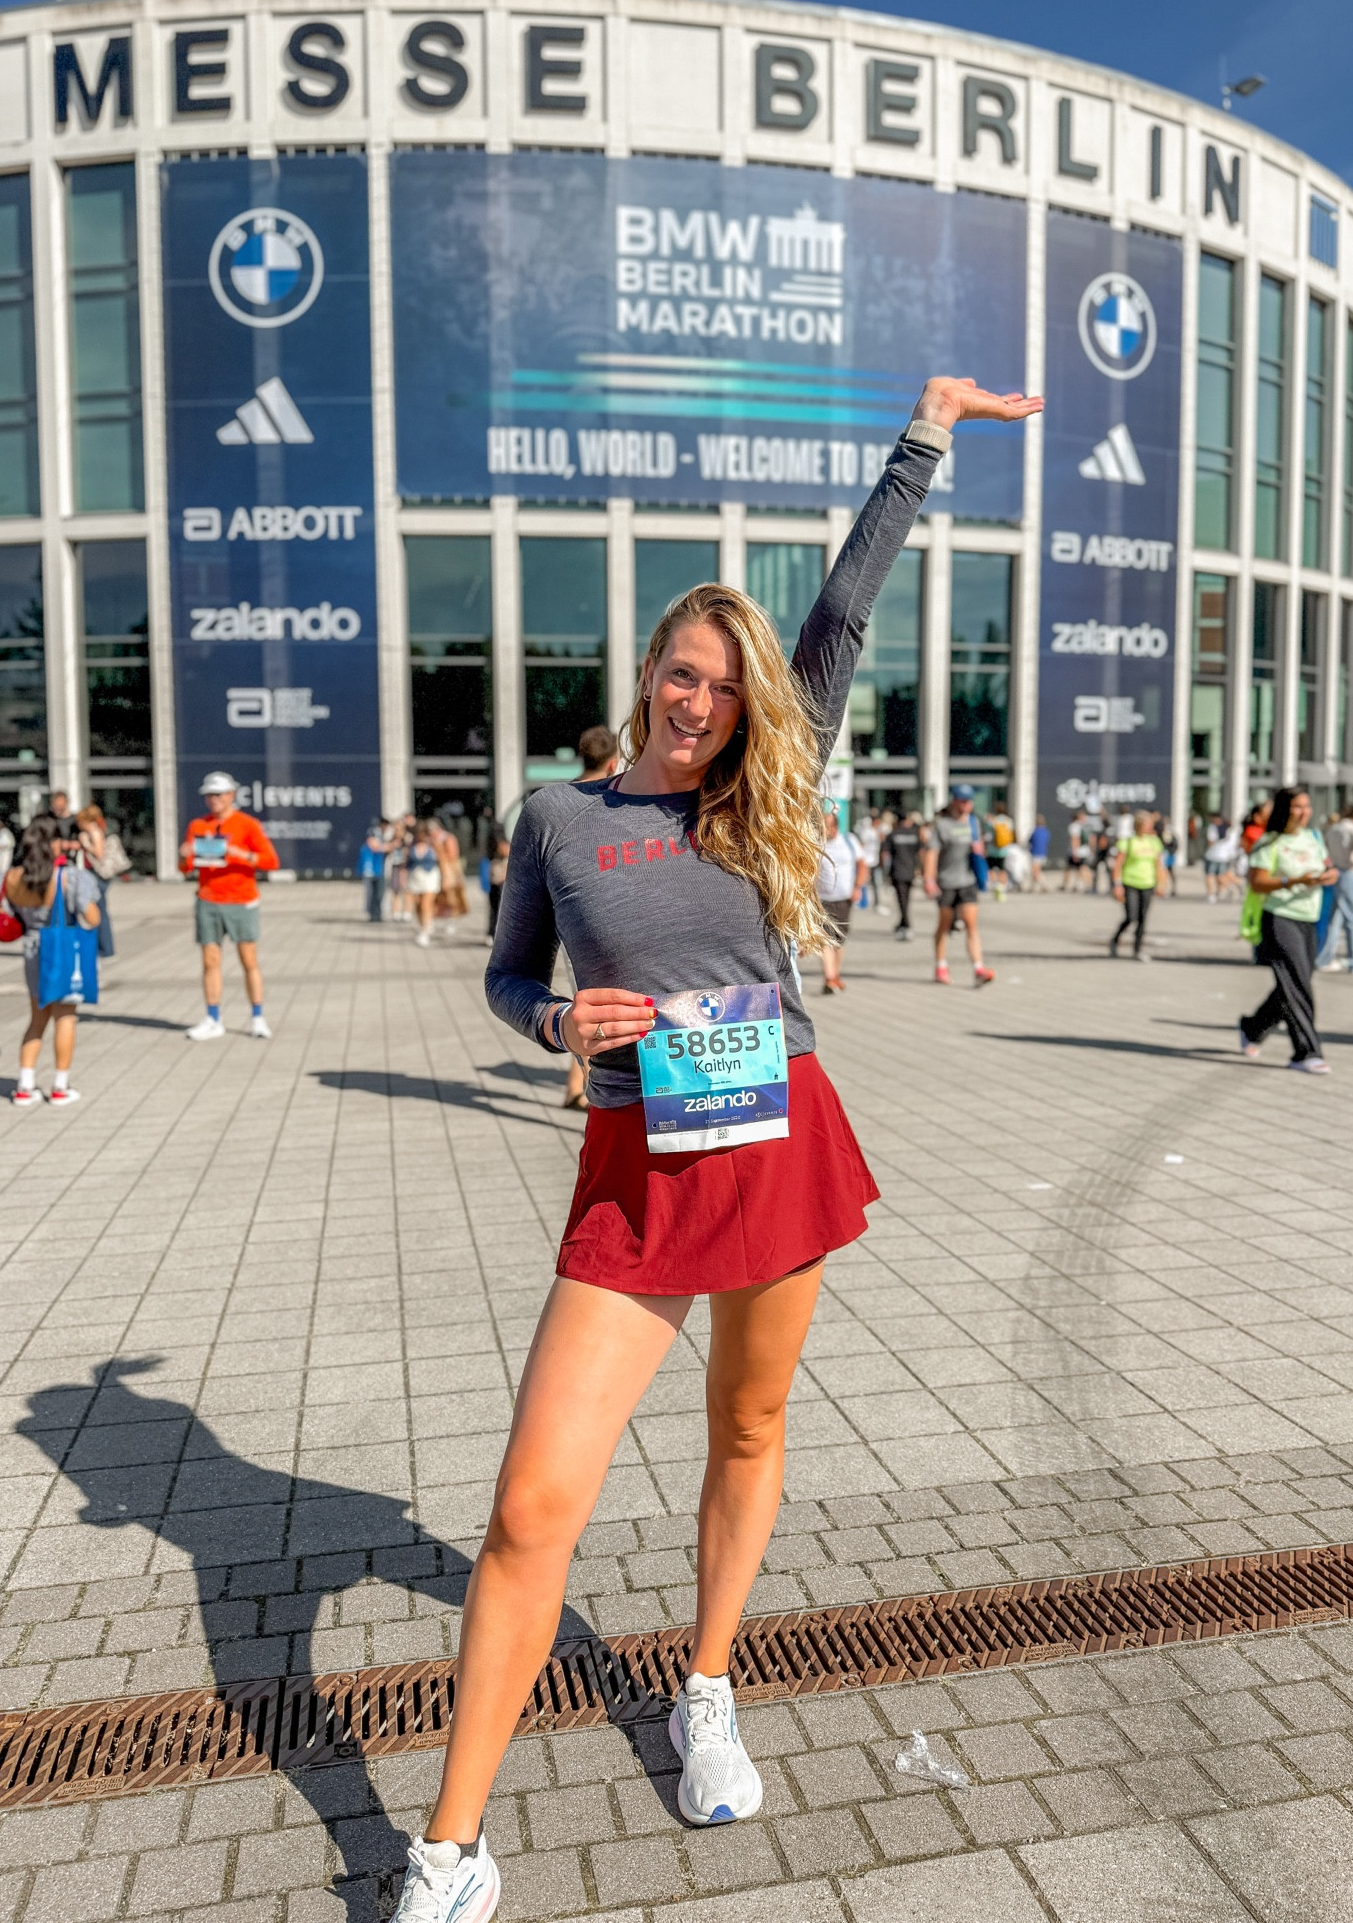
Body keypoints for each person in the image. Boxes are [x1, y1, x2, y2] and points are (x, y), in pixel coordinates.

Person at [388, 374, 1042, 1923]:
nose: (701, 703)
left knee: (747, 1434)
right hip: (637, 1162)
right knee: (531, 1507)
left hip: (778, 1142)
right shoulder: (557, 816)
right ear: (649, 672)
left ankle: (705, 1683)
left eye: (728, 687)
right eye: (684, 675)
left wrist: (925, 439)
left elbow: (845, 603)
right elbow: (503, 978)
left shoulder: (761, 791)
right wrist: (562, 1030)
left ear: (755, 703)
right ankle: (452, 1852)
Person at [3, 813, 102, 1109]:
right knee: (65, 1018)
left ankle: (25, 1085)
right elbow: (92, 917)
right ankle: (60, 1086)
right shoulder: (68, 877)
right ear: (53, 843)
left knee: (36, 1019)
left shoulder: (12, 877)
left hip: (31, 949)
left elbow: (8, 911)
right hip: (60, 949)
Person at [1238, 784, 1339, 1073]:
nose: (1304, 812)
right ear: (1284, 810)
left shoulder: (1314, 838)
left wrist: (1329, 875)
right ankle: (1306, 1052)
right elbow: (1257, 882)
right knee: (1298, 984)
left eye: (1307, 806)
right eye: (1297, 807)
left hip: (1310, 916)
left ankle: (1254, 1027)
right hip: (1279, 916)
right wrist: (1292, 882)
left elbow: (1326, 866)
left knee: (1295, 982)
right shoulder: (1268, 843)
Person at [179, 771, 280, 1041]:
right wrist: (185, 856)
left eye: (219, 794)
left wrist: (241, 854)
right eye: (209, 795)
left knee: (249, 960)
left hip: (241, 899)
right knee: (210, 960)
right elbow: (185, 867)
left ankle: (257, 1016)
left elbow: (271, 861)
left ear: (231, 795)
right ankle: (213, 1018)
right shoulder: (198, 826)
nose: (213, 799)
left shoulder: (247, 824)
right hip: (207, 899)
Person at [562, 726, 623, 1108]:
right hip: (607, 920)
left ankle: (575, 1086)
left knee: (581, 1003)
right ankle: (592, 1091)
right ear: (613, 763)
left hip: (569, 923)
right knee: (601, 1012)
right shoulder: (614, 803)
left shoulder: (555, 802)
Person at [923, 785, 993, 986]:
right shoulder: (942, 825)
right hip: (946, 883)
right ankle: (941, 966)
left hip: (967, 881)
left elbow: (977, 852)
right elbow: (932, 853)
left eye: (969, 801)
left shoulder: (973, 823)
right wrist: (929, 879)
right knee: (944, 925)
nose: (967, 805)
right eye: (963, 801)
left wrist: (979, 850)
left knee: (971, 923)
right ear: (955, 801)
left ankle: (978, 968)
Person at [1317, 805, 1353, 976]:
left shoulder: (1333, 829)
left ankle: (1324, 958)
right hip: (1350, 872)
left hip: (1335, 871)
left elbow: (1325, 851)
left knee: (1334, 918)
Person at [816, 808, 865, 993]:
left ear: (835, 827)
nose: (823, 830)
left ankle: (835, 975)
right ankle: (829, 979)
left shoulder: (849, 842)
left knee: (839, 940)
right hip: (822, 900)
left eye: (827, 826)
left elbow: (862, 865)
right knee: (826, 939)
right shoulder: (816, 844)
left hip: (844, 898)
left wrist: (858, 887)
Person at [77, 804, 130, 959]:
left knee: (99, 911)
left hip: (98, 875)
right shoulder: (99, 828)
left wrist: (85, 843)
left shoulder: (93, 831)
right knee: (100, 910)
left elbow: (99, 854)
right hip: (98, 875)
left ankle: (106, 948)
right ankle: (104, 947)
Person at [1109, 810, 1163, 959]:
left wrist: (1161, 884)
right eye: (1147, 824)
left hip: (1148, 883)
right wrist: (1117, 884)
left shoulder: (1154, 842)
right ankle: (1115, 940)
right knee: (1131, 916)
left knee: (1143, 917)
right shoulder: (1128, 841)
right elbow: (1118, 864)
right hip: (1130, 882)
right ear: (1139, 825)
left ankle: (1137, 950)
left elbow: (1159, 865)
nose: (1150, 827)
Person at [881, 809, 923, 939]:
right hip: (910, 871)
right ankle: (903, 922)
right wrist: (919, 868)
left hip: (897, 871)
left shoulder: (893, 834)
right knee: (906, 898)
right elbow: (921, 852)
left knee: (901, 899)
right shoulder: (914, 834)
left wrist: (884, 870)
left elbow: (884, 853)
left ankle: (906, 924)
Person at [408, 822, 442, 946]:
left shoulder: (433, 845)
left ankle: (425, 930)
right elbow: (407, 862)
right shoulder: (411, 846)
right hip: (415, 876)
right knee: (417, 904)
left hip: (430, 876)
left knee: (425, 904)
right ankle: (423, 924)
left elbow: (442, 859)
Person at [1203, 813, 1239, 904]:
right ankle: (1226, 890)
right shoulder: (1229, 829)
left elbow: (1210, 841)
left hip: (1213, 855)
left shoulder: (1213, 827)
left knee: (1210, 875)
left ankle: (1211, 894)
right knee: (1220, 875)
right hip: (1224, 856)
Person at [357, 823, 389, 921]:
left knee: (379, 894)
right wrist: (391, 845)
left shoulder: (382, 837)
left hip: (379, 871)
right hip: (370, 872)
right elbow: (376, 847)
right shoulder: (370, 840)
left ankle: (378, 914)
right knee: (371, 894)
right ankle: (373, 915)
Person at [1062, 812, 1091, 892]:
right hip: (1084, 850)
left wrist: (1075, 852)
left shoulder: (1074, 826)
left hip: (1078, 851)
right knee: (1077, 868)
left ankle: (1086, 885)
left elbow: (1075, 839)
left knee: (1082, 868)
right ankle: (1076, 884)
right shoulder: (1084, 826)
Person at [1027, 814, 1050, 892]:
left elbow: (1029, 841)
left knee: (1035, 872)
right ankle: (1032, 887)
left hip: (1036, 853)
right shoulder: (1046, 832)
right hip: (1043, 853)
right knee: (1036, 870)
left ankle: (1045, 885)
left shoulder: (1035, 831)